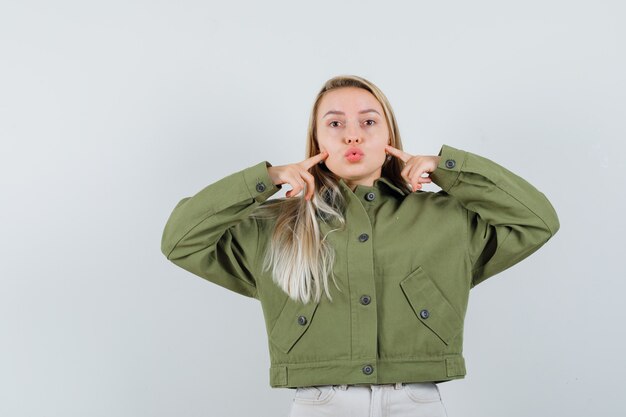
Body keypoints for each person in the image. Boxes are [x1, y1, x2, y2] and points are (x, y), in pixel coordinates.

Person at [160, 75, 560, 416]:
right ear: (315, 137)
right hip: (319, 402)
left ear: (390, 135)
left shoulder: (448, 218)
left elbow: (537, 220)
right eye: (334, 123)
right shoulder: (275, 224)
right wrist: (264, 179)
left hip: (416, 400)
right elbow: (179, 240)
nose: (353, 133)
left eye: (369, 121)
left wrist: (449, 168)